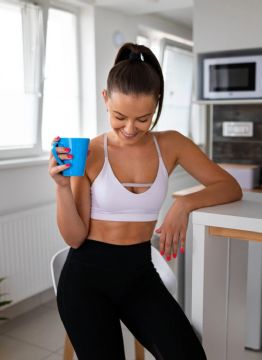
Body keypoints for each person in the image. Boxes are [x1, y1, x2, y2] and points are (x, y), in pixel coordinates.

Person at [49, 42, 242, 360]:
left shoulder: (171, 144)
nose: (129, 129)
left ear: (156, 106)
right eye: (119, 116)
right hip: (86, 280)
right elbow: (74, 237)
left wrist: (184, 203)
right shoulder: (91, 152)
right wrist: (61, 187)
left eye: (143, 119)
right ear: (105, 100)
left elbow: (229, 186)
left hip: (139, 273)